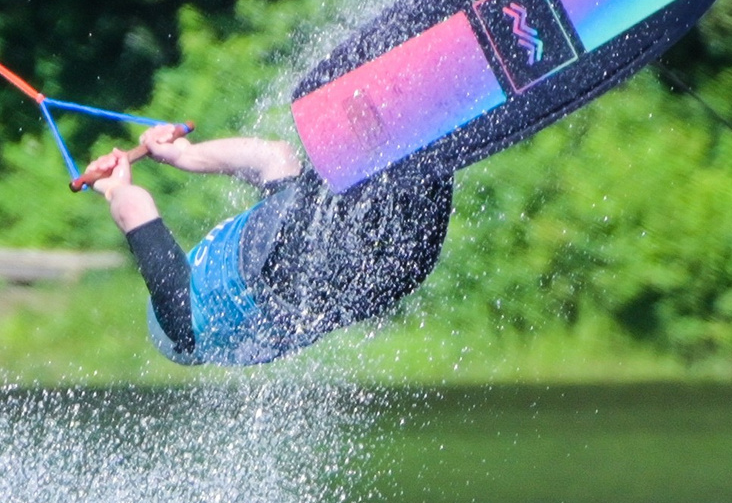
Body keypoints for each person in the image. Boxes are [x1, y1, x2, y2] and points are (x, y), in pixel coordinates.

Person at [80, 124, 453, 367]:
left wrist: (185, 154)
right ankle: (429, 119)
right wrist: (116, 187)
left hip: (384, 282)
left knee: (414, 183)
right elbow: (135, 210)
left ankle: (442, 133)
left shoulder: (226, 344)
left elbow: (274, 157)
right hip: (291, 263)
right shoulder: (179, 317)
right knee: (372, 176)